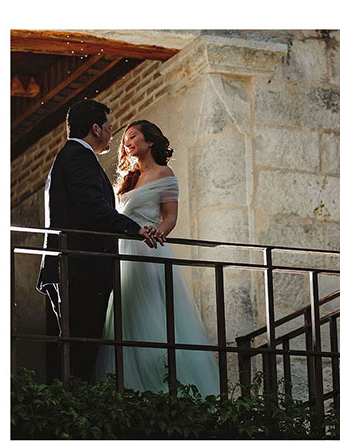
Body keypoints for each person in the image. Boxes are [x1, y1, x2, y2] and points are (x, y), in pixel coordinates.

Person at [94, 120, 219, 397]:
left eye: (132, 136)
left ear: (149, 141)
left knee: (153, 317)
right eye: (125, 139)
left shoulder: (165, 173)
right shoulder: (126, 180)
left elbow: (170, 217)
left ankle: (166, 389)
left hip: (148, 251)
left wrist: (157, 234)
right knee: (125, 317)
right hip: (123, 254)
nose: (126, 142)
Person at [36, 100, 158, 383]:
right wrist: (135, 229)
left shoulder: (71, 156)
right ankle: (76, 415)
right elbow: (93, 207)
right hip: (79, 270)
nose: (112, 135)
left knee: (77, 348)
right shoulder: (79, 157)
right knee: (80, 350)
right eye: (109, 128)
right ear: (95, 129)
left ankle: (77, 409)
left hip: (75, 268)